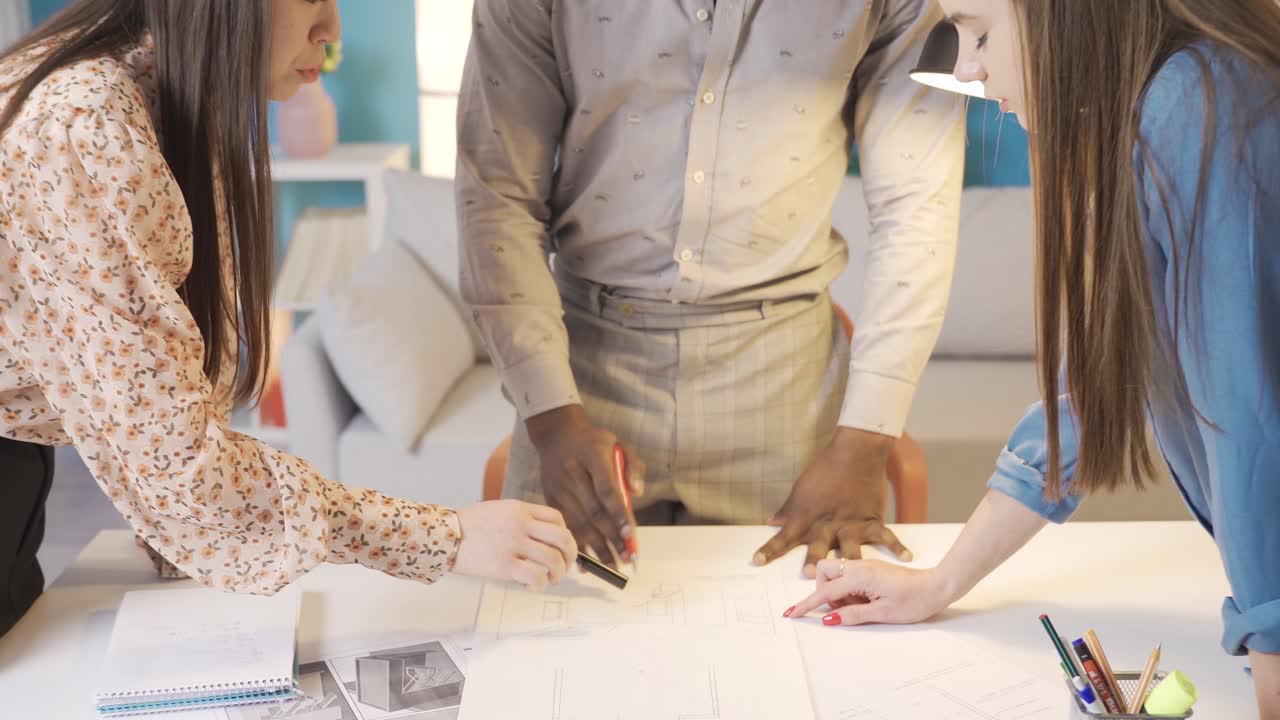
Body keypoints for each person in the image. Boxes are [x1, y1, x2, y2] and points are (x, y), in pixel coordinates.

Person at [0, 0, 578, 640]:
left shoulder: (167, 96)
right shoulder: (87, 124)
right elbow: (181, 469)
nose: (331, 32)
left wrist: (184, 521)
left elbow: (154, 390)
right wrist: (448, 537)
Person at [784, 0, 1280, 713]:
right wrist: (941, 583)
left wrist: (1271, 651)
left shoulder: (1196, 105)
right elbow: (1089, 399)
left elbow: (1252, 423)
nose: (967, 67)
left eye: (979, 31)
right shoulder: (1167, 103)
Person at [457, 0, 966, 574]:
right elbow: (497, 199)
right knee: (543, 640)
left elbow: (917, 210)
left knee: (796, 646)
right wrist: (550, 419)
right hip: (583, 372)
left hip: (786, 388)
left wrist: (865, 442)